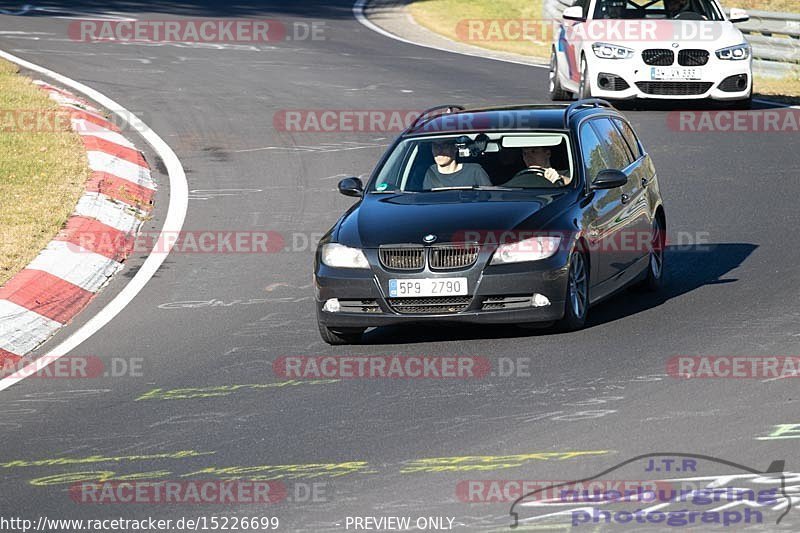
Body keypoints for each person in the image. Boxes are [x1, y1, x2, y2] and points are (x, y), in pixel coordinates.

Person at [422, 139, 492, 190]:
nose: (439, 151)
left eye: (445, 146)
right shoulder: (430, 172)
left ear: (455, 149)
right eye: (435, 146)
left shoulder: (475, 171)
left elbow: (489, 197)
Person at [504, 146, 571, 188]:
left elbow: (577, 187)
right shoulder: (520, 178)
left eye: (533, 151)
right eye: (525, 153)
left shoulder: (567, 174)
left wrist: (559, 179)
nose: (528, 157)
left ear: (547, 153)